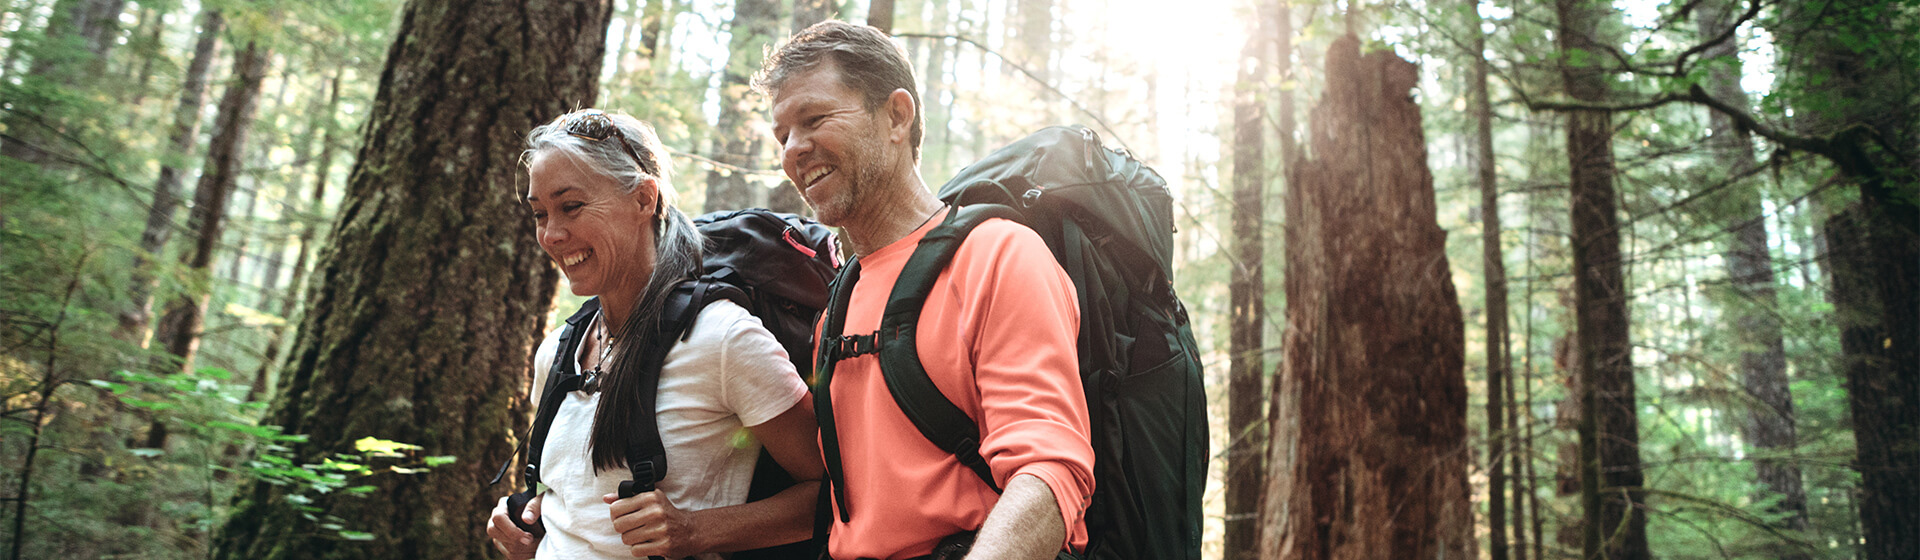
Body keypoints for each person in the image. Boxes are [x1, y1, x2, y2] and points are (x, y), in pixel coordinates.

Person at [755, 21, 1095, 560]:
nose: (794, 149)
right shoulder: (836, 309)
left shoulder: (997, 256)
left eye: (814, 119)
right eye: (782, 136)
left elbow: (1049, 472)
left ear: (896, 115)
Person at [485, 109, 823, 560]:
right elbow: (579, 507)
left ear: (644, 199)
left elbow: (832, 493)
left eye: (571, 207)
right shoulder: (557, 352)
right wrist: (529, 526)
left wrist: (696, 531)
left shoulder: (721, 338)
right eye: (539, 213)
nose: (552, 234)